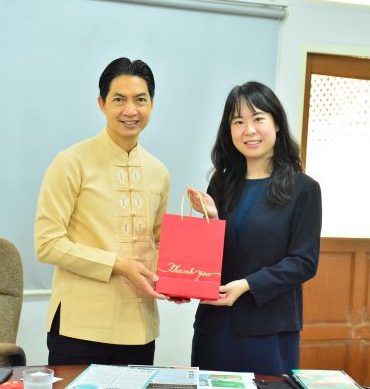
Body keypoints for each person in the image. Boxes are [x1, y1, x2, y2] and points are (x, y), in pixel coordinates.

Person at [34, 57, 170, 366]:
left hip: (139, 330)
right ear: (102, 103)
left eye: (140, 100)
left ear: (151, 104)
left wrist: (178, 279)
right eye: (119, 99)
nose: (130, 110)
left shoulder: (159, 172)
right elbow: (47, 244)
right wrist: (117, 265)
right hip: (79, 329)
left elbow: (158, 243)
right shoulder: (71, 162)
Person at [187, 81, 322, 376]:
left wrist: (247, 285)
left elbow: (304, 262)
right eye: (238, 122)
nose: (249, 130)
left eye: (258, 118)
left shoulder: (304, 189)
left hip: (269, 330)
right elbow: (212, 258)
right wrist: (212, 220)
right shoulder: (221, 183)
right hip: (216, 326)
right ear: (229, 130)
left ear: (276, 123)